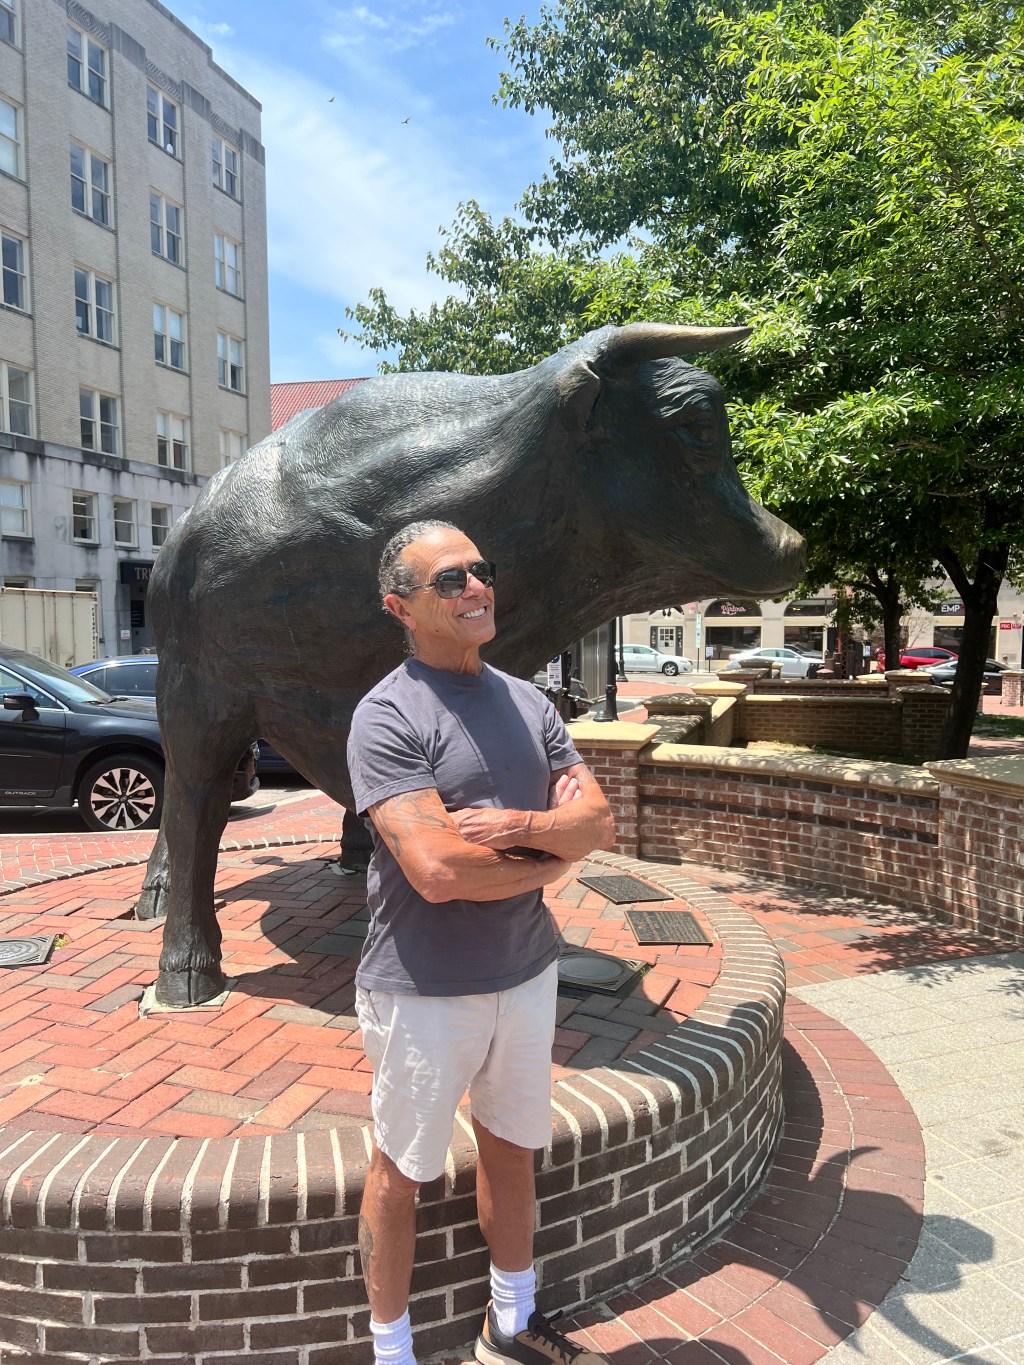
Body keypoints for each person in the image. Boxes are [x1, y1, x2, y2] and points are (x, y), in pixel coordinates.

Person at [347, 520, 616, 1365]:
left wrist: (522, 827)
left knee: (513, 1147)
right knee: (403, 1173)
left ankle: (512, 1319)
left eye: (481, 571)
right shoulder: (387, 715)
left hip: (527, 970)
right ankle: (392, 1352)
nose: (475, 588)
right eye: (450, 579)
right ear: (402, 606)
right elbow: (433, 868)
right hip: (423, 987)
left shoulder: (528, 701)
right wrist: (550, 858)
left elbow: (599, 819)